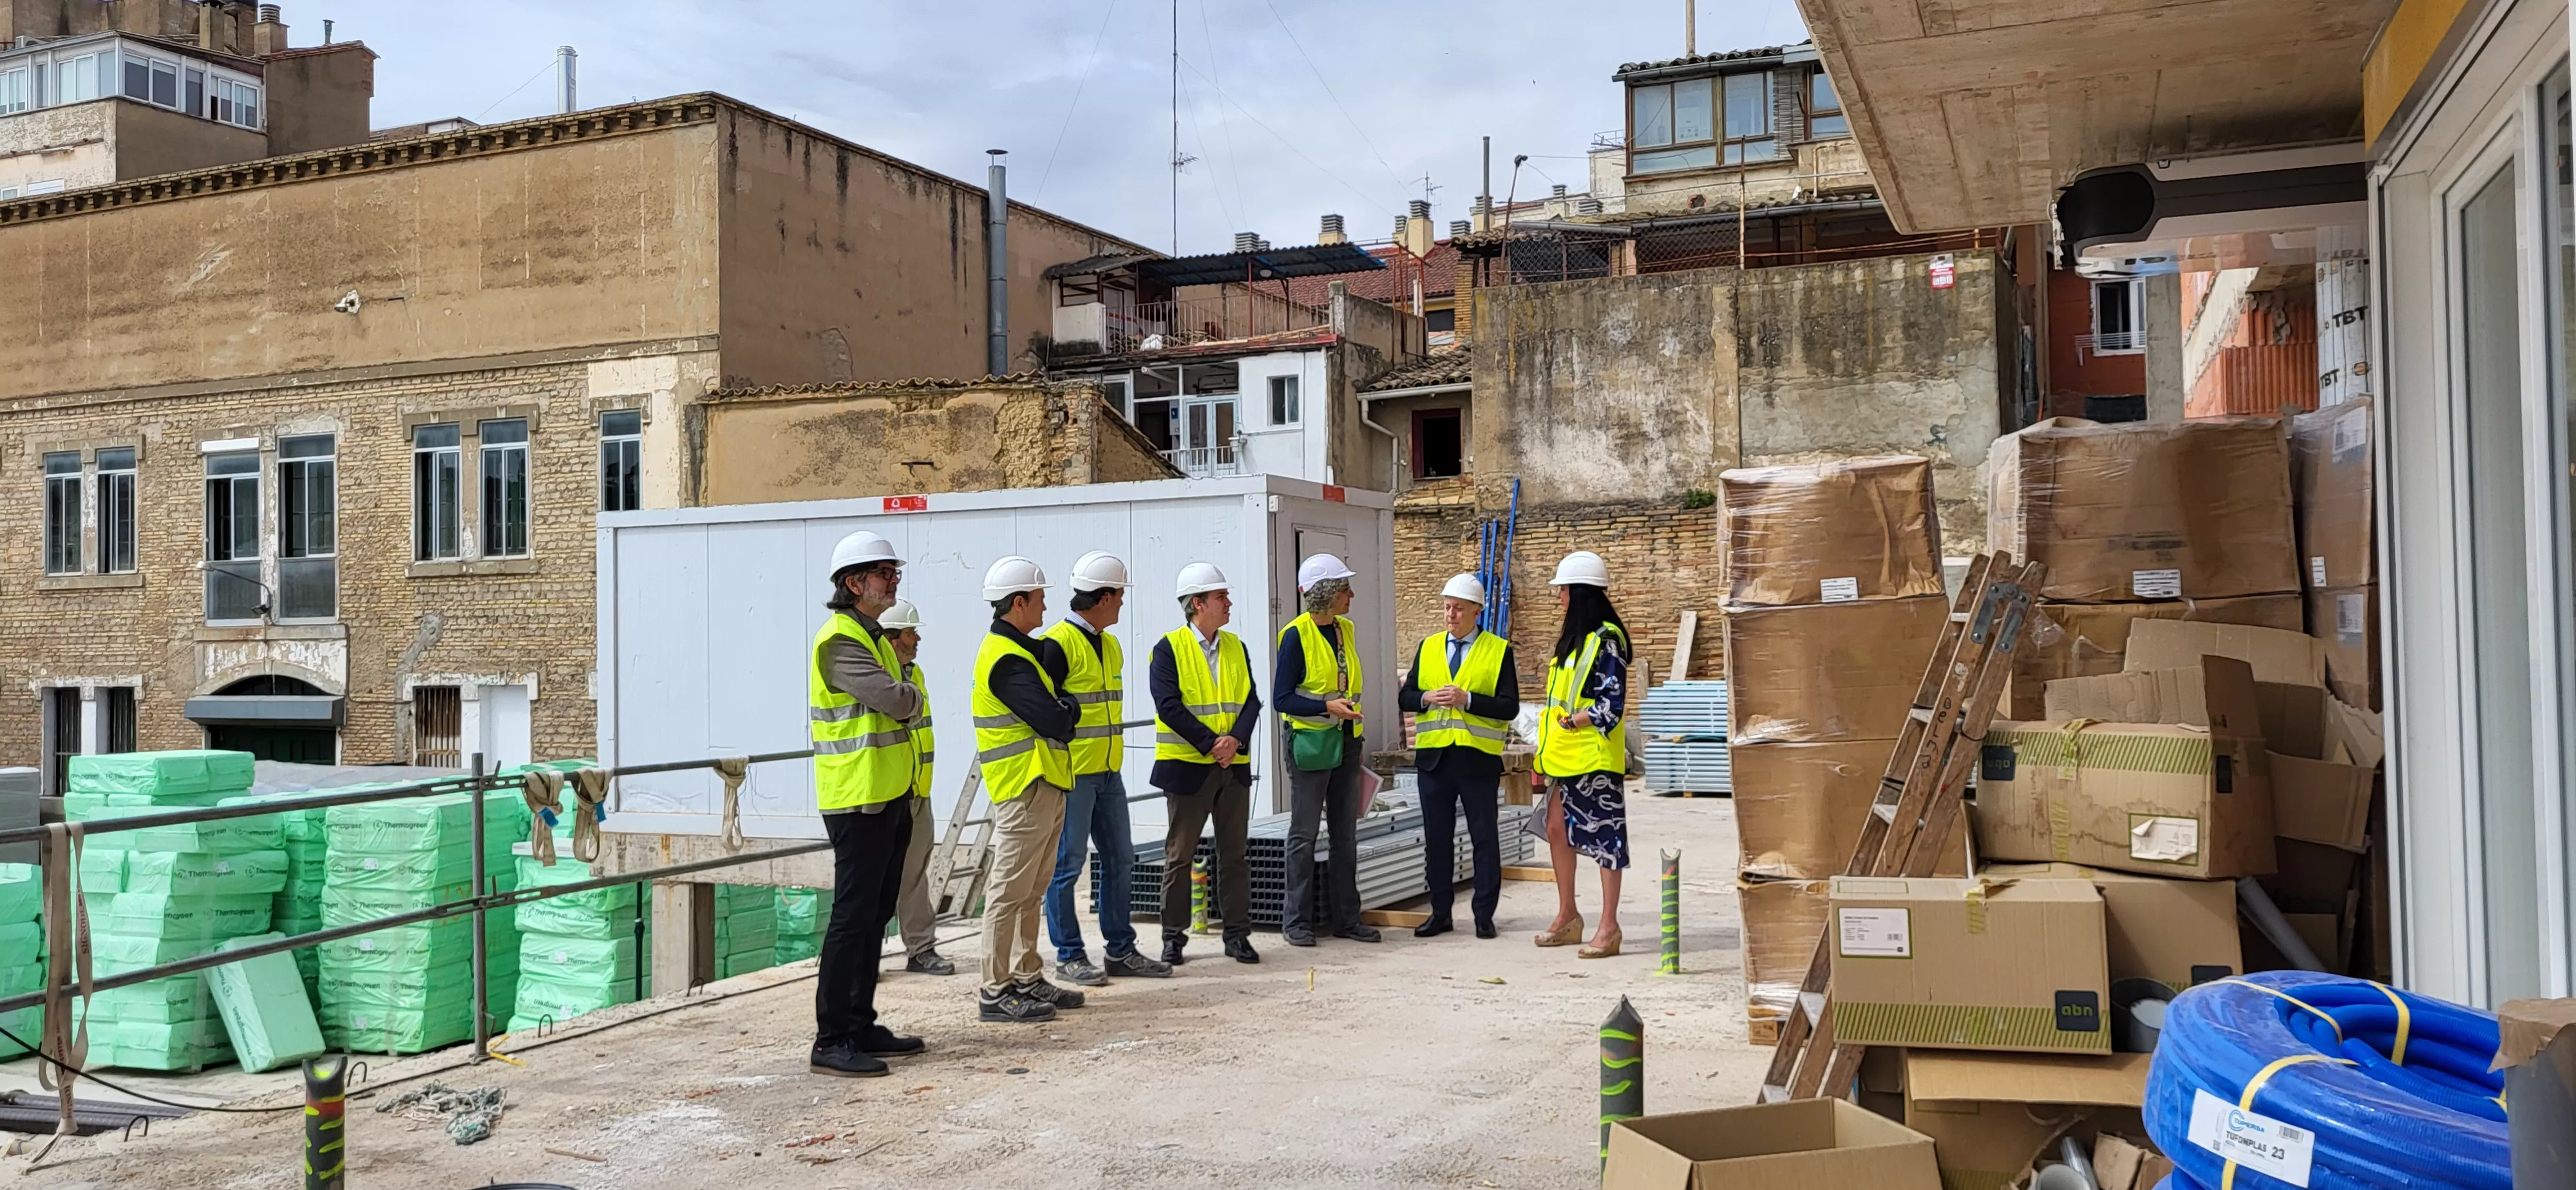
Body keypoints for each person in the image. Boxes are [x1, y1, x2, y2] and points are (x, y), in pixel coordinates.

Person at [806, 530, 929, 1077]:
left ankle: (860, 1023)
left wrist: (904, 691)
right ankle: (831, 1037)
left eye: (894, 572)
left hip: (887, 796)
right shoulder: (840, 640)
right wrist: (907, 692)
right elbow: (896, 699)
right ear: (854, 583)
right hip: (858, 800)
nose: (894, 581)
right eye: (884, 573)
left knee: (875, 914)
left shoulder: (874, 636)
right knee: (852, 919)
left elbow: (900, 696)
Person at [1040, 551, 1174, 986]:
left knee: (1121, 859)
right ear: (1102, 597)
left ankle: (1121, 950)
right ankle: (1070, 955)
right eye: (1118, 595)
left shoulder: (1109, 643)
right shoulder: (1057, 645)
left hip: (1107, 771)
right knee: (1066, 865)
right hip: (1073, 774)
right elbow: (1044, 713)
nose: (1122, 603)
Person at [971, 556, 1088, 1023]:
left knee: (1030, 889)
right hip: (1024, 787)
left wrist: (1066, 708)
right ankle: (995, 989)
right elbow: (1057, 718)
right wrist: (1068, 710)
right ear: (1018, 603)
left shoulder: (1021, 653)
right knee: (1008, 891)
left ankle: (1025, 975)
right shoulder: (1006, 661)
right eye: (1039, 599)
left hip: (1043, 783)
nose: (1045, 607)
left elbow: (1060, 710)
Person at [1151, 562, 1264, 966]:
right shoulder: (1169, 649)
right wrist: (1211, 744)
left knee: (1235, 855)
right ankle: (1173, 938)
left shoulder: (1236, 646)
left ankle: (1237, 936)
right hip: (1189, 769)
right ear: (1198, 604)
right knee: (1180, 856)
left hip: (1232, 767)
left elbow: (1251, 701)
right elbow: (1168, 706)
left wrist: (1234, 741)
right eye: (1221, 597)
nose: (1228, 603)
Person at [1396, 573, 1520, 940]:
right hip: (1434, 761)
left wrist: (1468, 701)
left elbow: (1509, 707)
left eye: (1459, 609)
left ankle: (1484, 915)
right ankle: (1440, 913)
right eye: (1447, 608)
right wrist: (1425, 698)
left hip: (1476, 759)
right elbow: (1406, 698)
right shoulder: (1429, 646)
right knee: (1437, 839)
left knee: (1484, 838)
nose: (1450, 615)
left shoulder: (1498, 650)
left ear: (1477, 612)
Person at [1274, 553, 1378, 947]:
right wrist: (1325, 707)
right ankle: (1296, 922)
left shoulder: (1345, 629)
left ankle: (1347, 919)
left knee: (1344, 835)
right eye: (1344, 588)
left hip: (1347, 741)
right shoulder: (1295, 636)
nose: (1351, 595)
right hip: (1311, 745)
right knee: (1303, 834)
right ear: (1326, 594)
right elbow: (1282, 698)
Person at [1533, 550, 1632, 959]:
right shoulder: (1574, 642)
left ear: (1580, 594)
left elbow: (1612, 702)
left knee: (1606, 840)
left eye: (1563, 591)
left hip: (1594, 757)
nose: (1559, 598)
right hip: (1565, 756)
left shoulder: (1606, 640)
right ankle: (1568, 916)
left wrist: (1576, 721)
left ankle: (1609, 926)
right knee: (1556, 829)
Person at [879, 600, 955, 978]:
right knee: (874, 878)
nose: (918, 637)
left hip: (916, 792)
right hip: (885, 794)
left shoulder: (914, 672)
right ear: (892, 640)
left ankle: (921, 949)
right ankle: (863, 957)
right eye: (911, 632)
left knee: (914, 874)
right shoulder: (878, 678)